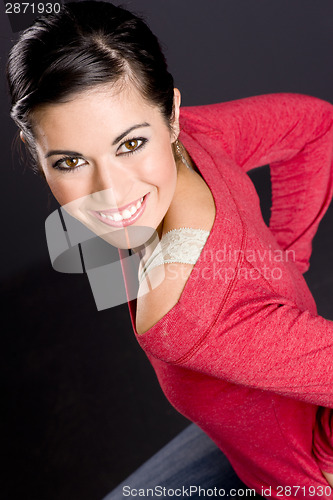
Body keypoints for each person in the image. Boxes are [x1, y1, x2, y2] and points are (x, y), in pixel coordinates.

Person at [6, 1, 333, 498]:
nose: (111, 194)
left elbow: (315, 128)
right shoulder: (191, 142)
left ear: (172, 116)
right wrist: (282, 260)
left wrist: (326, 458)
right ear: (35, 153)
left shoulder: (193, 321)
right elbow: (317, 126)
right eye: (71, 161)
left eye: (130, 145)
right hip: (247, 441)